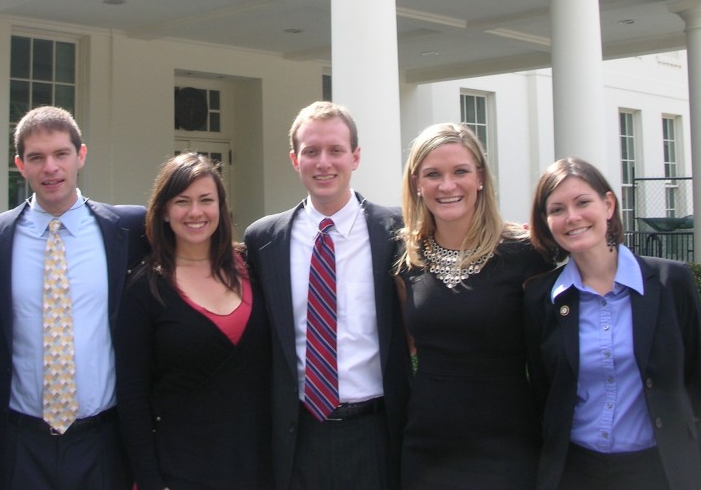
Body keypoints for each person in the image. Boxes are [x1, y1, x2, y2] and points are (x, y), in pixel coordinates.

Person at [0, 105, 147, 490]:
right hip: (21, 443)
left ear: (80, 155)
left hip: (103, 441)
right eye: (36, 157)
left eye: (60, 154)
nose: (50, 167)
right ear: (20, 164)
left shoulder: (129, 229)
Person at [244, 101, 411, 490]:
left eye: (336, 150)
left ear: (355, 157)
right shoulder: (264, 240)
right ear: (294, 159)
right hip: (296, 435)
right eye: (311, 151)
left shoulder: (398, 233)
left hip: (375, 433)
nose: (324, 163)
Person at [524, 157, 701, 490]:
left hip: (656, 472)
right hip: (573, 472)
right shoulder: (543, 298)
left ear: (608, 205)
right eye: (557, 209)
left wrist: (690, 471)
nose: (572, 217)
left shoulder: (672, 282)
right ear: (546, 221)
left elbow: (697, 385)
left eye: (583, 202)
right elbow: (544, 392)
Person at [396, 122, 548, 489]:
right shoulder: (403, 257)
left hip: (507, 445)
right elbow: (405, 342)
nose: (447, 186)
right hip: (427, 446)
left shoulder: (527, 254)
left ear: (479, 176)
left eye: (460, 171)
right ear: (417, 182)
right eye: (433, 174)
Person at [116, 153, 272, 490]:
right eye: (182, 202)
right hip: (181, 471)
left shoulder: (253, 267)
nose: (196, 212)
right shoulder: (145, 288)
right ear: (164, 213)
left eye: (206, 200)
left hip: (258, 467)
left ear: (221, 207)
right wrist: (149, 480)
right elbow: (132, 397)